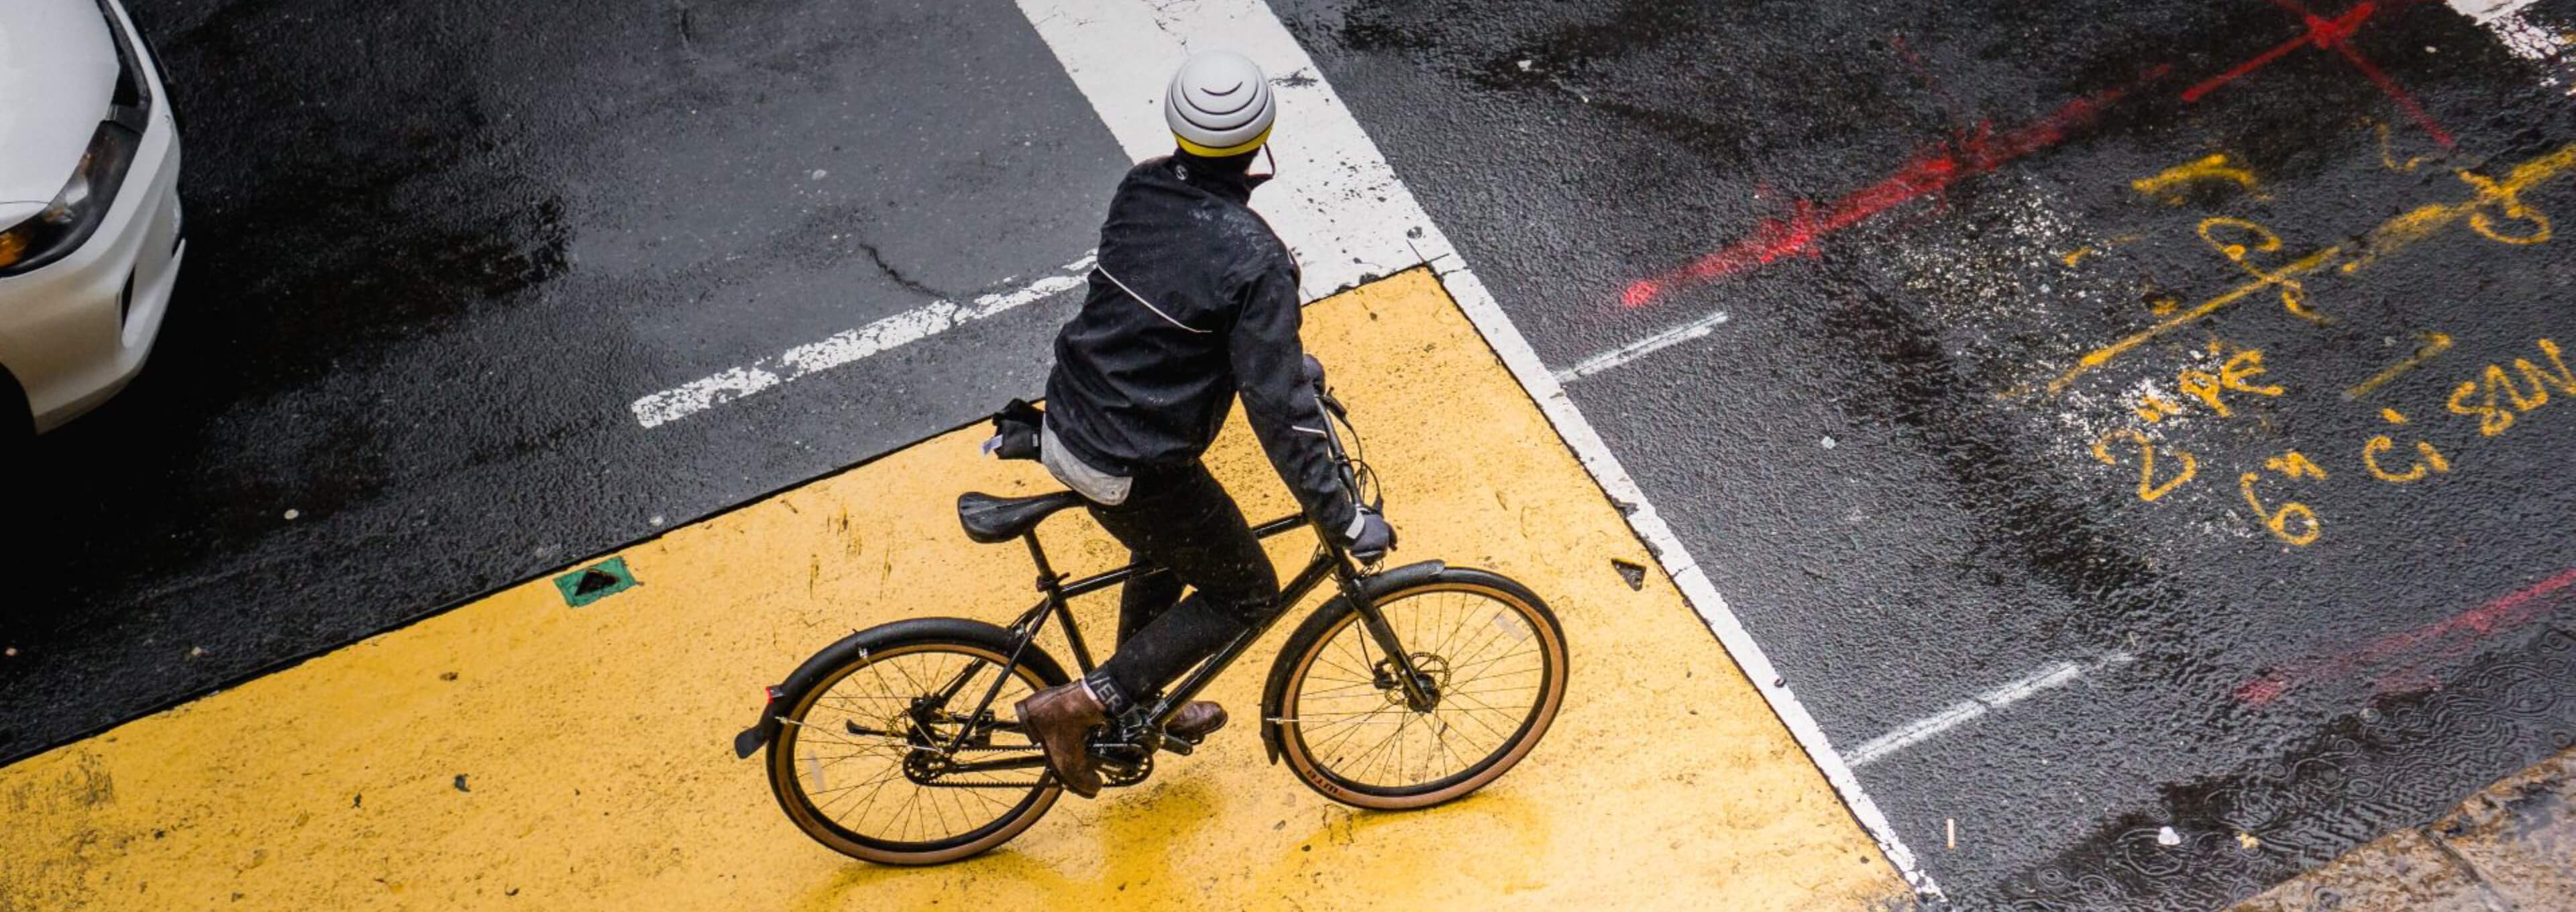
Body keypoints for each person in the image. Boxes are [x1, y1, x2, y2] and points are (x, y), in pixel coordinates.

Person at [991, 50, 1396, 799]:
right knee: (1246, 592)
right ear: (1261, 138)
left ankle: (1136, 703)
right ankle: (1078, 705)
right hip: (1131, 455)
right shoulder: (1254, 258)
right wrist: (1341, 516)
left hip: (1077, 412)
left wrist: (1275, 369)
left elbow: (1174, 314)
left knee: (1174, 548)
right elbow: (1276, 409)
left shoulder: (1142, 188)